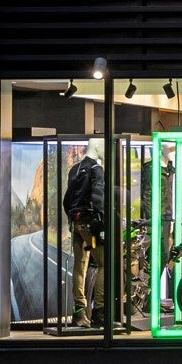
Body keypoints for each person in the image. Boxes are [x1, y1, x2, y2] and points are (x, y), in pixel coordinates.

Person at [62, 137, 105, 328]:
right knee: (105, 263)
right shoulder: (96, 169)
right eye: (104, 145)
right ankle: (100, 312)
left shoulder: (75, 169)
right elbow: (98, 198)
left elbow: (66, 200)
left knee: (80, 266)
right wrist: (102, 223)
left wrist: (72, 218)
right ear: (97, 146)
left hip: (76, 223)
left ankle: (79, 312)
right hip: (90, 225)